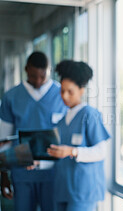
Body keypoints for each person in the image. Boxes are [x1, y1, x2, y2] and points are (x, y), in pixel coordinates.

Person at [0, 52, 68, 211]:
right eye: (32, 76)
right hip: (22, 174)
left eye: (42, 77)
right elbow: (3, 140)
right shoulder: (11, 97)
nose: (38, 81)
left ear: (49, 71)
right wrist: (3, 175)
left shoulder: (62, 95)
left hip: (53, 175)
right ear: (26, 69)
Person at [47, 60, 110, 211]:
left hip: (83, 191)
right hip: (63, 188)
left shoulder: (90, 115)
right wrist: (38, 163)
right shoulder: (61, 121)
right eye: (62, 91)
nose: (65, 96)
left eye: (70, 91)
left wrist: (72, 151)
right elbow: (57, 155)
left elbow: (101, 152)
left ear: (81, 90)